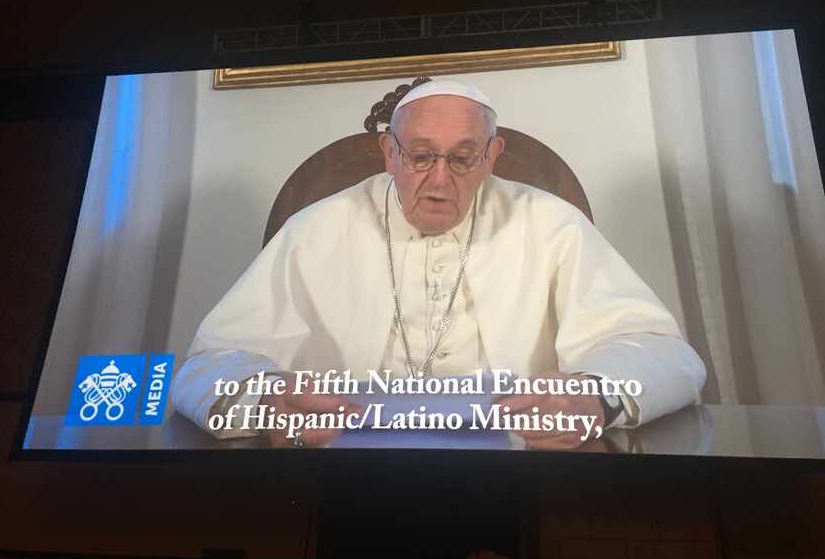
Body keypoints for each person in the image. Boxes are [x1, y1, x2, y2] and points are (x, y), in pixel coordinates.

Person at [169, 79, 706, 450]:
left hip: (519, 468)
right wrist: (267, 399)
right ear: (389, 152)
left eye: (463, 157)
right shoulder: (317, 228)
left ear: (493, 155)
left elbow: (660, 351)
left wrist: (597, 396)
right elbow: (211, 362)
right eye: (420, 155)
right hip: (341, 469)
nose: (440, 179)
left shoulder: (552, 224)